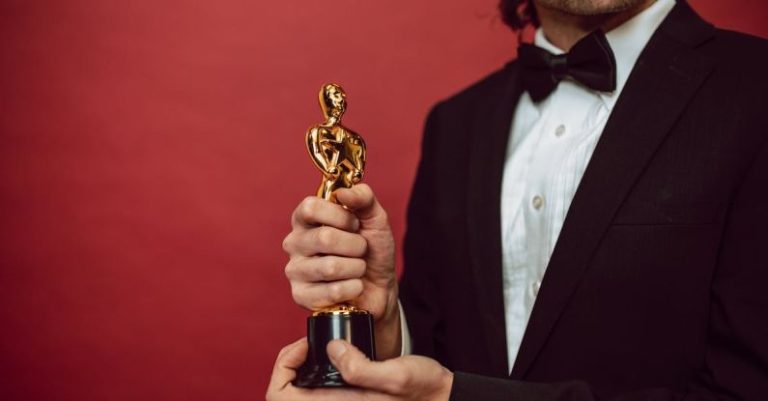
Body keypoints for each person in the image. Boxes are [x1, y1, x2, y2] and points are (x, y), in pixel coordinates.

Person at [268, 0, 768, 400]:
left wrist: (456, 397)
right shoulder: (456, 124)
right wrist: (385, 325)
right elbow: (441, 347)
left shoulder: (755, 89)